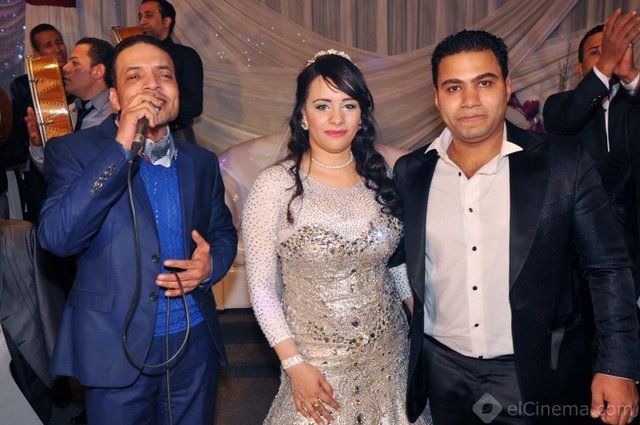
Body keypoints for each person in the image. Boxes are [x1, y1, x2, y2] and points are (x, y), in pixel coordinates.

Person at [392, 30, 640, 425]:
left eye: (484, 83)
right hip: (442, 370)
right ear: (436, 97)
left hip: (536, 372)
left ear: (507, 87)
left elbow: (607, 266)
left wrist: (618, 365)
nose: (469, 100)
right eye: (454, 87)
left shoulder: (563, 163)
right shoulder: (412, 172)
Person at [37, 35, 237, 424]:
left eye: (165, 74)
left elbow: (222, 233)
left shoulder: (201, 161)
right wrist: (120, 148)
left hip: (193, 344)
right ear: (114, 98)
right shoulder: (72, 152)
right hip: (114, 347)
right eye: (134, 76)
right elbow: (58, 238)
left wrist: (210, 266)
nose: (152, 85)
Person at [243, 51, 430, 424]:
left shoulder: (383, 177)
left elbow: (393, 263)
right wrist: (293, 364)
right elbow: (262, 289)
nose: (336, 118)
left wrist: (422, 326)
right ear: (303, 114)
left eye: (348, 105)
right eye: (322, 105)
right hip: (317, 366)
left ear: (362, 116)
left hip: (390, 357)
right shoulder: (275, 185)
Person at [544, 10, 640, 260]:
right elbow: (565, 122)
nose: (608, 56)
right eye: (596, 52)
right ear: (579, 68)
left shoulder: (634, 101)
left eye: (613, 51)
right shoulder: (559, 104)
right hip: (582, 242)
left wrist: (630, 75)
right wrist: (605, 65)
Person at [26, 37, 115, 173]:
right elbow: (54, 172)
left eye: (74, 63)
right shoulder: (66, 113)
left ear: (98, 71)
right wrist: (38, 144)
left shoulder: (116, 114)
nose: (65, 68)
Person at [9, 23, 67, 222]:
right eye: (48, 45)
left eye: (59, 42)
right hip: (40, 169)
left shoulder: (76, 78)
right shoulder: (23, 85)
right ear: (37, 54)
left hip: (74, 167)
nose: (58, 49)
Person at [138, 0, 203, 144]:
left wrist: (155, 108)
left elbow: (194, 106)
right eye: (140, 16)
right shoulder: (135, 56)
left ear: (166, 21)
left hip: (176, 134)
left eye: (148, 15)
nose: (142, 22)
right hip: (138, 134)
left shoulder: (186, 55)